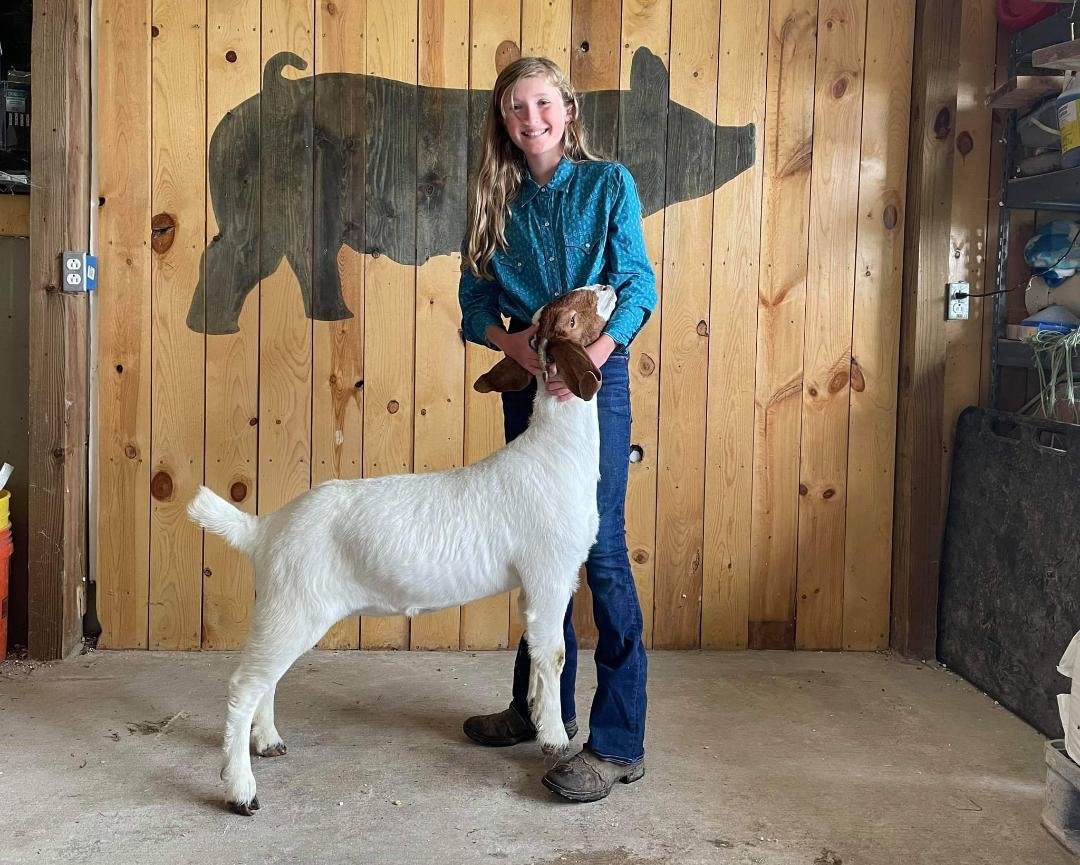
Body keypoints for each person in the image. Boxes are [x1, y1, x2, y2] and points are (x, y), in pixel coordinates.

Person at [457, 55, 657, 803]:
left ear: (567, 110)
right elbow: (473, 299)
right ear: (503, 122)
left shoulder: (609, 185)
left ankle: (616, 741)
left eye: (542, 103)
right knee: (539, 546)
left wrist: (591, 359)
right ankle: (538, 704)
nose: (530, 118)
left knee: (600, 549)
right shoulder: (495, 199)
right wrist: (513, 345)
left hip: (591, 386)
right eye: (515, 108)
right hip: (527, 384)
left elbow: (638, 283)